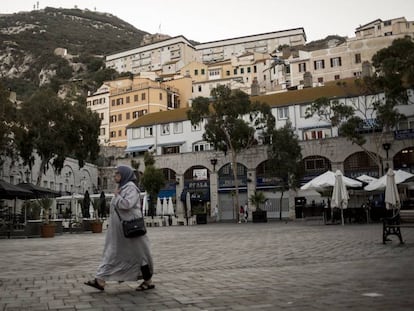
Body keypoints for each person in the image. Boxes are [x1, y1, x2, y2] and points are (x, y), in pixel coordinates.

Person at [84, 165, 155, 291]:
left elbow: (127, 204)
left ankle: (147, 281)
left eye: (117, 174)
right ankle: (100, 279)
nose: (115, 176)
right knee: (114, 252)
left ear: (124, 175)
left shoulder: (131, 188)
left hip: (131, 229)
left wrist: (117, 196)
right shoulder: (122, 187)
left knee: (139, 254)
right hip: (120, 232)